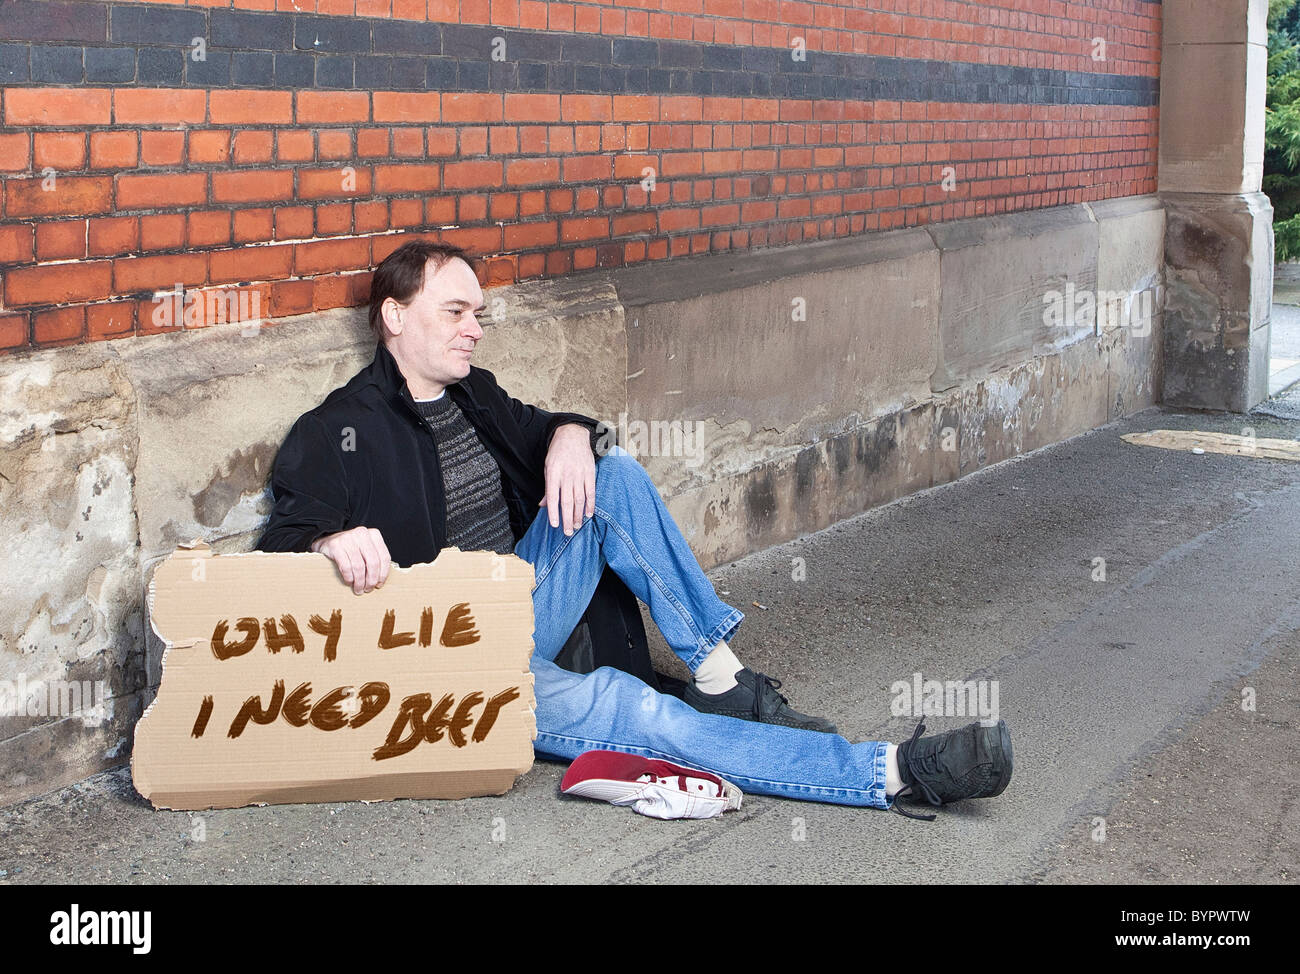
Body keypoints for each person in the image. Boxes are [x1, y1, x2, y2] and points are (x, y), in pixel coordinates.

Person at [257, 238, 1014, 819]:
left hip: (522, 605)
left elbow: (562, 430)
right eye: (455, 313)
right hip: (451, 667)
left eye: (479, 315)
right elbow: (276, 560)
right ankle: (899, 773)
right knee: (644, 712)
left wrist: (568, 435)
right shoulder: (335, 431)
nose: (474, 331)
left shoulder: (473, 396)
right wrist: (327, 543)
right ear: (394, 316)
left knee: (610, 475)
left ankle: (722, 677)